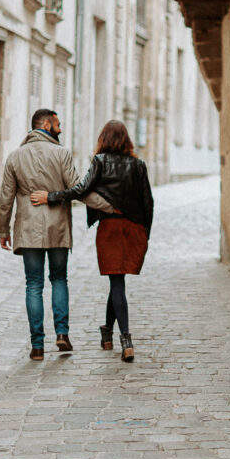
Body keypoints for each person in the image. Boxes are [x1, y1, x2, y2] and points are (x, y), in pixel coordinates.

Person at [0, 108, 115, 361]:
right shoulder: (61, 154)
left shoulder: (15, 157)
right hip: (58, 228)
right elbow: (78, 190)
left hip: (28, 229)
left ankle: (37, 346)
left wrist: (2, 230)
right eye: (58, 124)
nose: (60, 129)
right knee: (59, 279)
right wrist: (110, 206)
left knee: (33, 284)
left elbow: (6, 198)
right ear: (47, 124)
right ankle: (62, 334)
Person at [31, 120, 153, 362]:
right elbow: (148, 202)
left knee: (116, 280)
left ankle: (125, 339)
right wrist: (144, 234)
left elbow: (80, 190)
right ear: (127, 139)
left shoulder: (100, 162)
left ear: (103, 139)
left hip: (110, 228)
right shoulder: (139, 165)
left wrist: (51, 197)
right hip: (133, 228)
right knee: (117, 280)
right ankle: (107, 333)